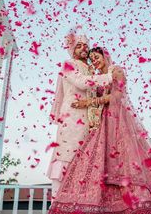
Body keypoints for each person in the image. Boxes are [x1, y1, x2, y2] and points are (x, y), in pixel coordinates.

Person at [48, 47, 151, 213]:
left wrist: (87, 103)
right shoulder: (98, 79)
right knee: (100, 162)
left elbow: (117, 96)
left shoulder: (115, 70)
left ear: (105, 56)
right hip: (103, 122)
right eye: (92, 58)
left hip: (119, 121)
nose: (94, 60)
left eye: (96, 56)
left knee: (126, 160)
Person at [47, 32, 113, 202]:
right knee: (66, 156)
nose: (84, 48)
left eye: (85, 45)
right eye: (79, 45)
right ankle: (56, 205)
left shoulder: (92, 69)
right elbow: (81, 82)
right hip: (71, 118)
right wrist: (110, 76)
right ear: (72, 50)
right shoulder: (68, 64)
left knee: (86, 161)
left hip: (90, 121)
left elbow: (95, 90)